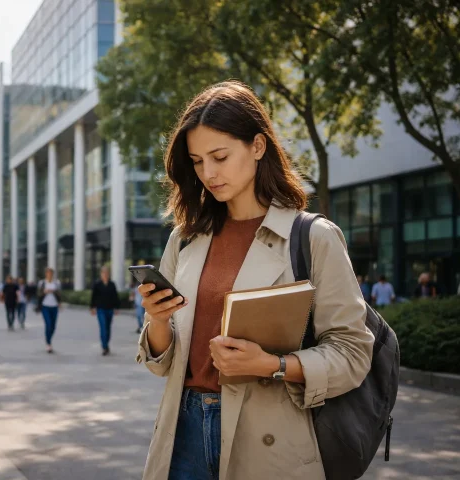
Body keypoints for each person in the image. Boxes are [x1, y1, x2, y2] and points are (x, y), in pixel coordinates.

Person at [135, 82, 374, 479]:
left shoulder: (313, 237)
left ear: (258, 146)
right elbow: (163, 364)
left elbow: (353, 353)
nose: (208, 173)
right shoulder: (186, 238)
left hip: (270, 440)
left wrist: (273, 364)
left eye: (220, 156)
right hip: (183, 434)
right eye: (197, 161)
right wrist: (158, 320)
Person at [90, 266, 120, 356]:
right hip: (100, 309)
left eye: (107, 273)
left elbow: (115, 296)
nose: (105, 275)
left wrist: (116, 307)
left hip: (110, 309)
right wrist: (92, 307)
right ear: (101, 274)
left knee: (108, 328)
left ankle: (106, 344)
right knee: (103, 327)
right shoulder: (97, 284)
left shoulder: (112, 284)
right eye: (104, 273)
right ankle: (104, 346)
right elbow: (93, 296)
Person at [38, 268, 61, 353]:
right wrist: (44, 292)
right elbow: (39, 294)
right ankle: (48, 343)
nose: (49, 275)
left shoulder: (57, 282)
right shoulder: (42, 283)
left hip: (54, 306)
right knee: (48, 324)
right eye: (48, 273)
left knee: (53, 326)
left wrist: (54, 292)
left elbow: (59, 294)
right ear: (46, 274)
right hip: (45, 306)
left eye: (51, 273)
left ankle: (49, 339)